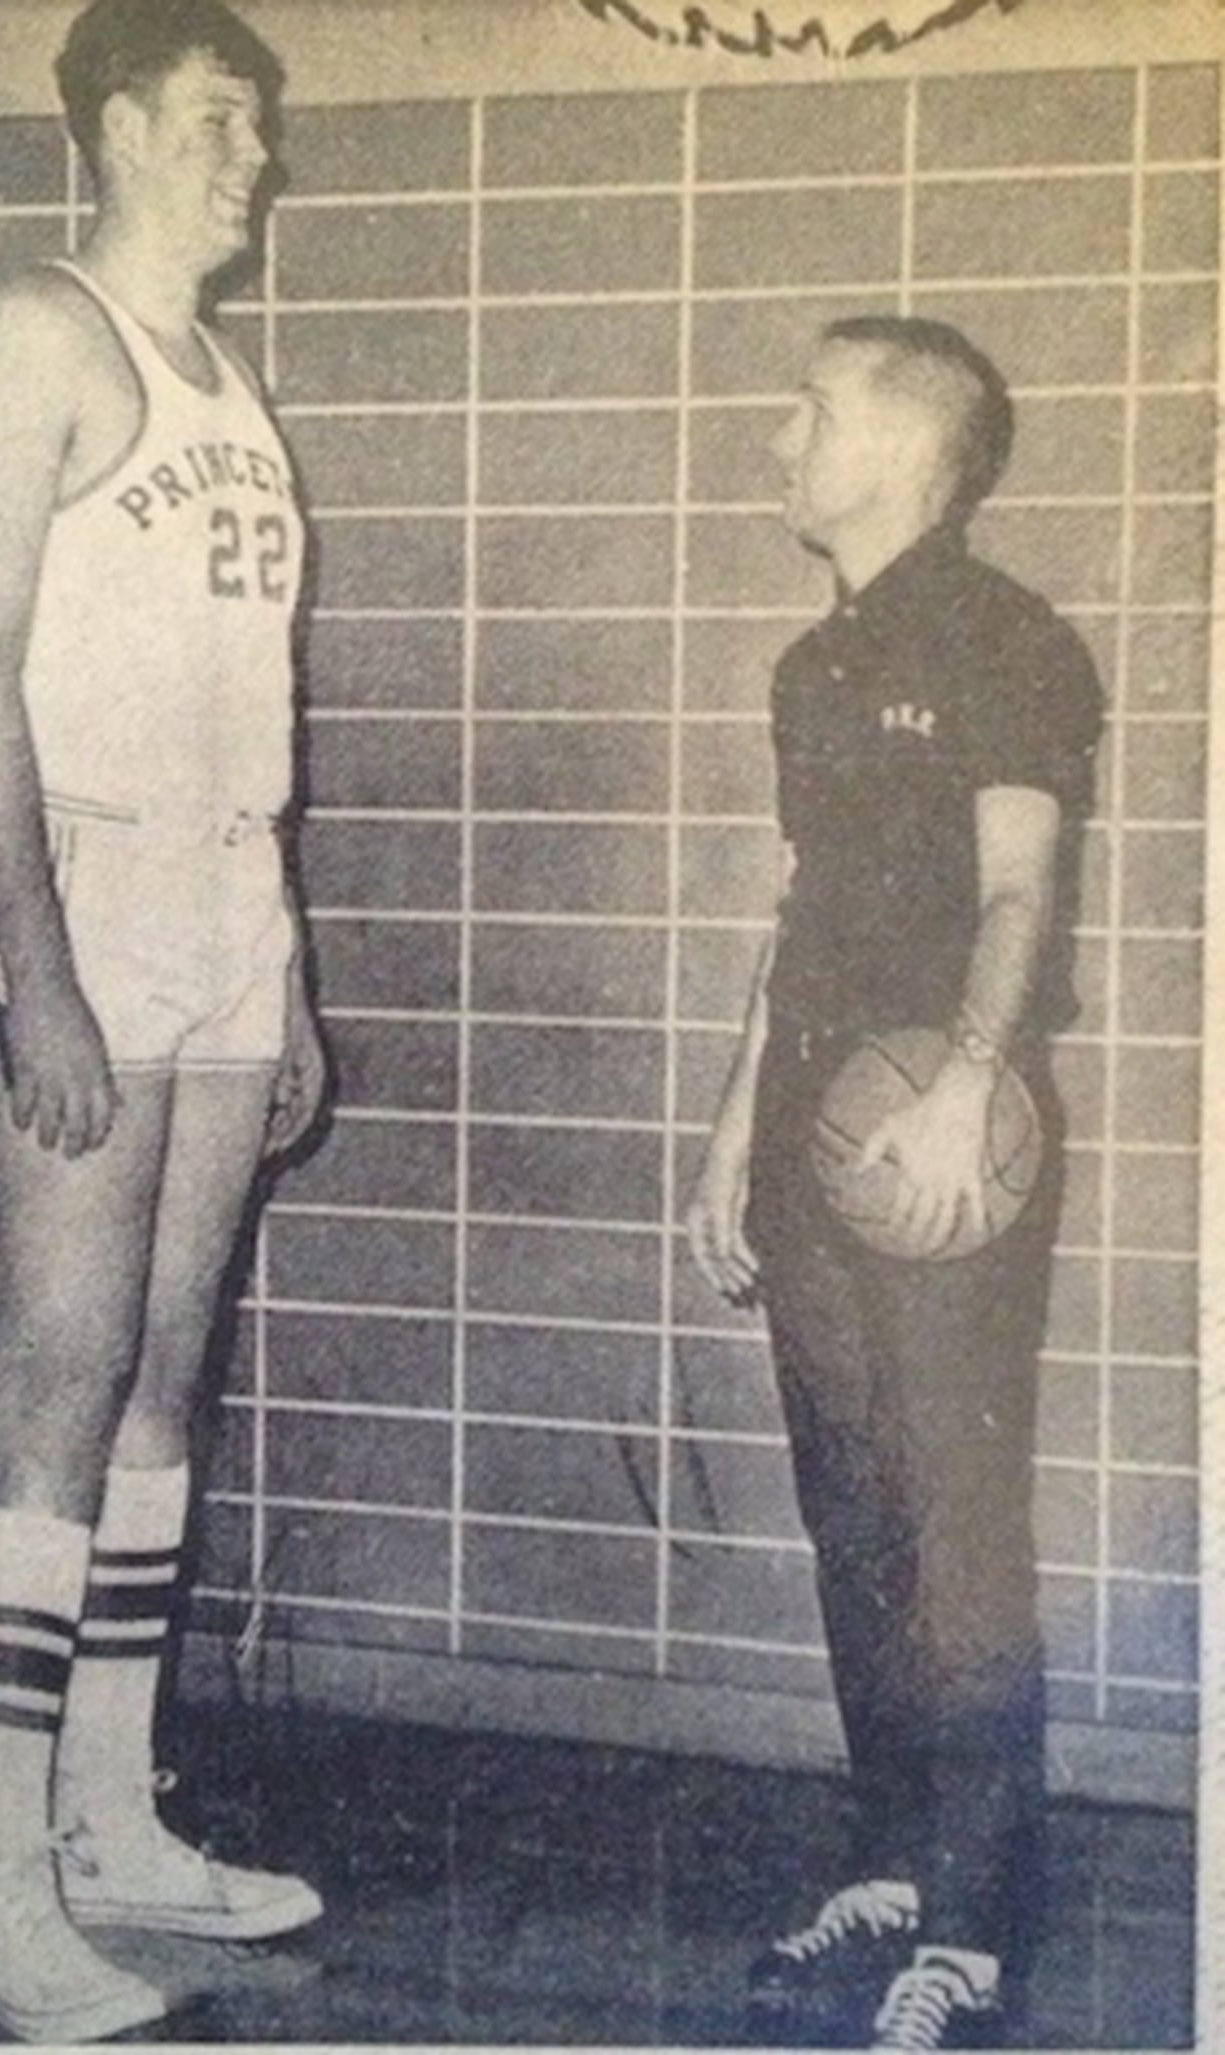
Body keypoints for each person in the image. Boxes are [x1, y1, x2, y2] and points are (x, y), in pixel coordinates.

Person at [0, 0, 327, 2039]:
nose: (248, 153)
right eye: (215, 117)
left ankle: (111, 1824)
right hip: (71, 881)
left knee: (170, 1366)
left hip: (225, 894)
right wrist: (39, 959)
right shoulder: (36, 334)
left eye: (256, 119)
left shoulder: (227, 380)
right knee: (62, 1373)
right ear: (114, 125)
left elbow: (252, 698)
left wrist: (291, 958)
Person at [686, 316, 1101, 2051]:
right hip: (809, 1126)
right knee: (854, 1508)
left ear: (916, 444)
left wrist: (968, 1082)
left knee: (958, 1520)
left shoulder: (1015, 642)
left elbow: (1020, 896)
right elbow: (800, 922)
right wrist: (729, 1137)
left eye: (816, 408)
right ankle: (897, 1858)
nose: (782, 434)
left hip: (945, 1129)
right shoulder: (811, 664)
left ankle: (981, 1921)